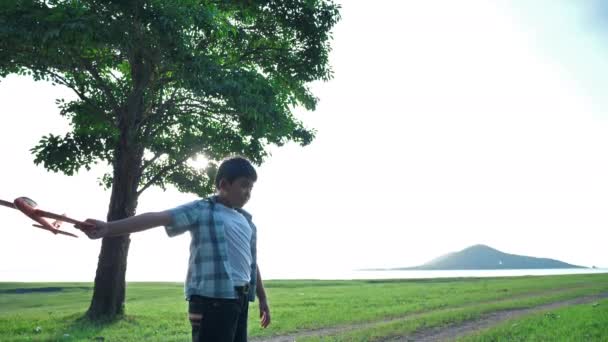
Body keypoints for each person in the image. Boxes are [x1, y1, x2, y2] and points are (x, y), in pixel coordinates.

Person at [79, 156, 270, 342]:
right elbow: (159, 217)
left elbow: (251, 262)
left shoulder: (246, 221)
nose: (248, 192)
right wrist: (108, 228)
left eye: (251, 187)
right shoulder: (202, 209)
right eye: (244, 185)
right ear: (224, 185)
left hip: (240, 299)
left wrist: (262, 297)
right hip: (212, 299)